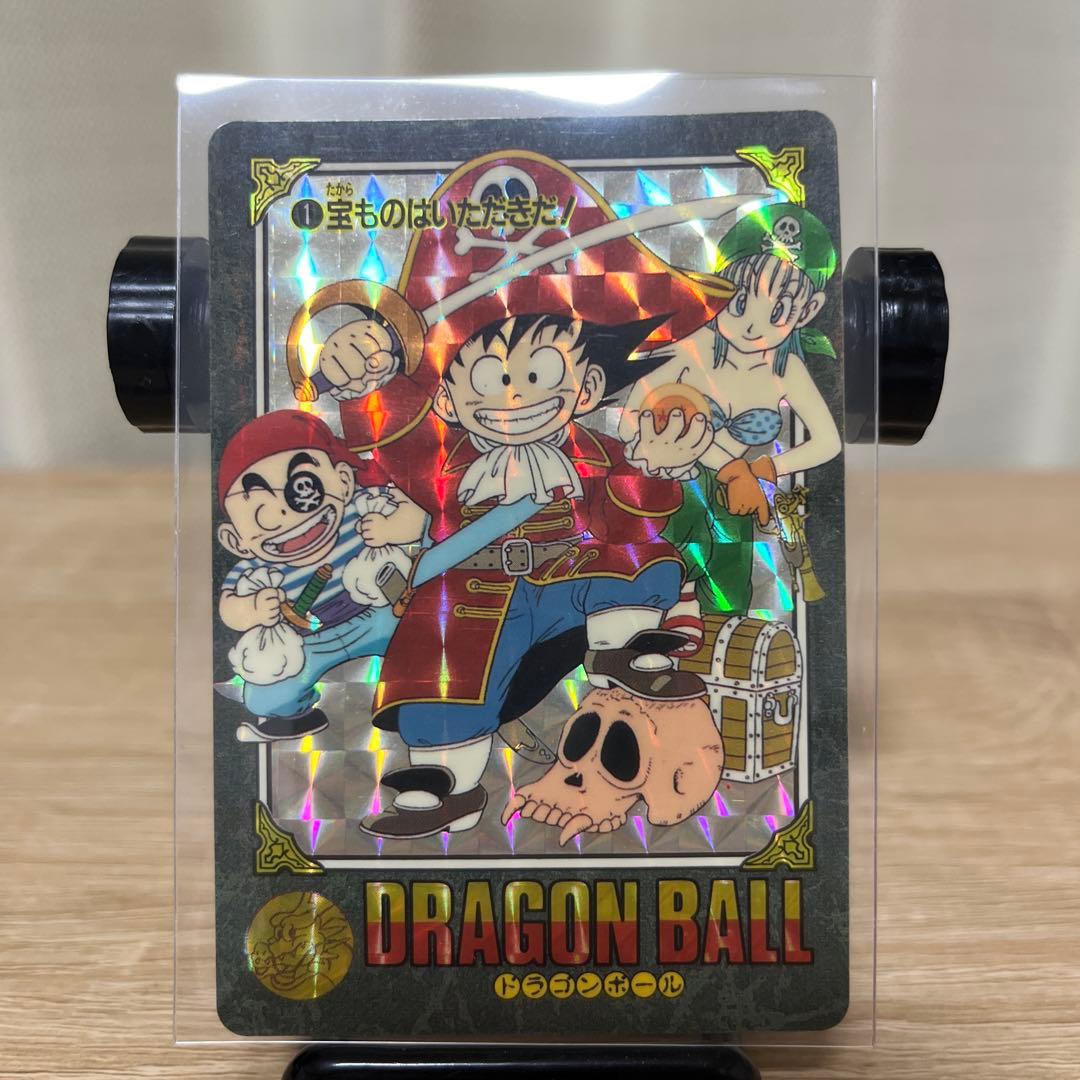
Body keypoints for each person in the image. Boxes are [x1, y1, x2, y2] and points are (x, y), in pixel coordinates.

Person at [620, 203, 841, 618]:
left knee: (728, 599)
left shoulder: (786, 367)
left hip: (734, 501)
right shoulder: (690, 346)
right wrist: (721, 464)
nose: (753, 326)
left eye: (778, 311)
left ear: (809, 310)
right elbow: (631, 418)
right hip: (668, 491)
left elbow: (828, 442)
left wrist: (766, 468)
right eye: (739, 303)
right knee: (652, 588)